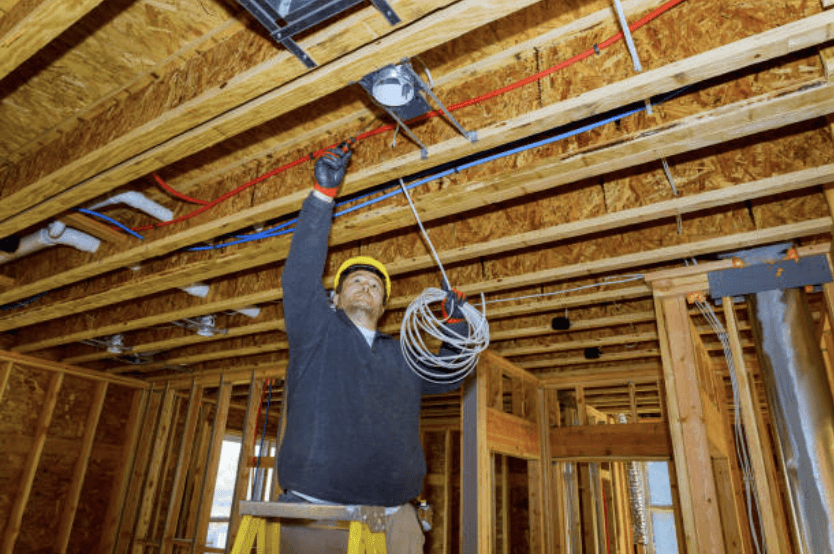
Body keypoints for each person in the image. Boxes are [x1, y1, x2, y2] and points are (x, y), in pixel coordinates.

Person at [276, 145, 469, 553]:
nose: (366, 286)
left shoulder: (403, 355)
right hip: (318, 516)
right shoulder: (317, 333)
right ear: (335, 298)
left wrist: (456, 325)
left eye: (374, 285)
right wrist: (321, 198)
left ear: (383, 306)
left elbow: (449, 374)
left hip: (394, 519)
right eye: (355, 281)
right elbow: (299, 277)